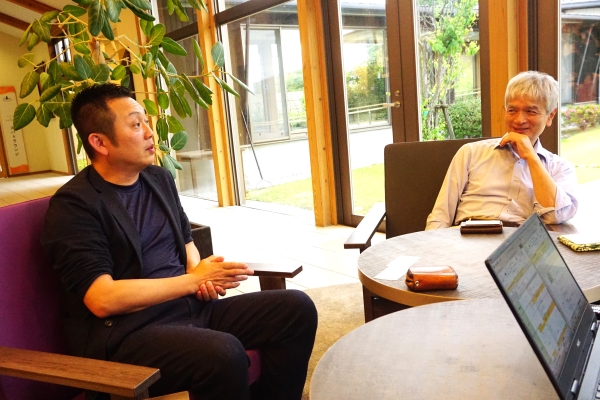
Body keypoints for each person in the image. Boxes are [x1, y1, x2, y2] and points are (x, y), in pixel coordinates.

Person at [42, 83, 317, 400]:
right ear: (99, 142)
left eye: (146, 122)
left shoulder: (158, 179)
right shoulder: (74, 206)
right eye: (136, 124)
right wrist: (192, 281)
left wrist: (202, 277)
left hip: (189, 310)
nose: (150, 133)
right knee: (223, 353)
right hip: (128, 333)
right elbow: (102, 298)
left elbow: (187, 246)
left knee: (296, 309)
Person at [426, 71, 578, 230]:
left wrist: (532, 158)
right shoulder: (470, 153)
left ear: (550, 116)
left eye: (531, 111)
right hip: (466, 236)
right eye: (512, 110)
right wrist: (431, 245)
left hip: (518, 240)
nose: (519, 120)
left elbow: (556, 215)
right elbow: (440, 216)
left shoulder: (560, 168)